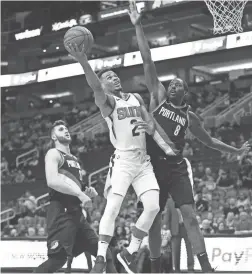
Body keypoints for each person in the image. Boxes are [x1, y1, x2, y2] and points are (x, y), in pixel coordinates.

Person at [128, 1, 251, 272]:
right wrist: (138, 26)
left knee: (191, 217)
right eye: (170, 83)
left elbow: (209, 141)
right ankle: (156, 266)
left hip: (176, 167)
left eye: (177, 85)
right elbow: (147, 58)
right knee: (154, 219)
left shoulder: (189, 117)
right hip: (152, 166)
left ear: (184, 91)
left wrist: (236, 151)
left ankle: (206, 267)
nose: (171, 86)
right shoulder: (157, 97)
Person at [66, 41, 160, 274]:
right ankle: (100, 258)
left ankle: (130, 252)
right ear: (104, 85)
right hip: (123, 160)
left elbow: (150, 122)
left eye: (115, 75)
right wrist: (83, 61)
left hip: (143, 161)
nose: (114, 78)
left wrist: (149, 127)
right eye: (109, 77)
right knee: (113, 207)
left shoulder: (136, 97)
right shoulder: (107, 102)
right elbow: (95, 86)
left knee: (153, 207)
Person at [34, 120, 117, 273]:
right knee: (57, 260)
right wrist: (80, 194)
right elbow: (52, 181)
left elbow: (74, 186)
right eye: (60, 129)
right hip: (61, 212)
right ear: (53, 136)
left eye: (66, 128)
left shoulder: (74, 160)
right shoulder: (53, 153)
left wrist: (86, 191)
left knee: (105, 254)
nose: (65, 130)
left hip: (77, 214)